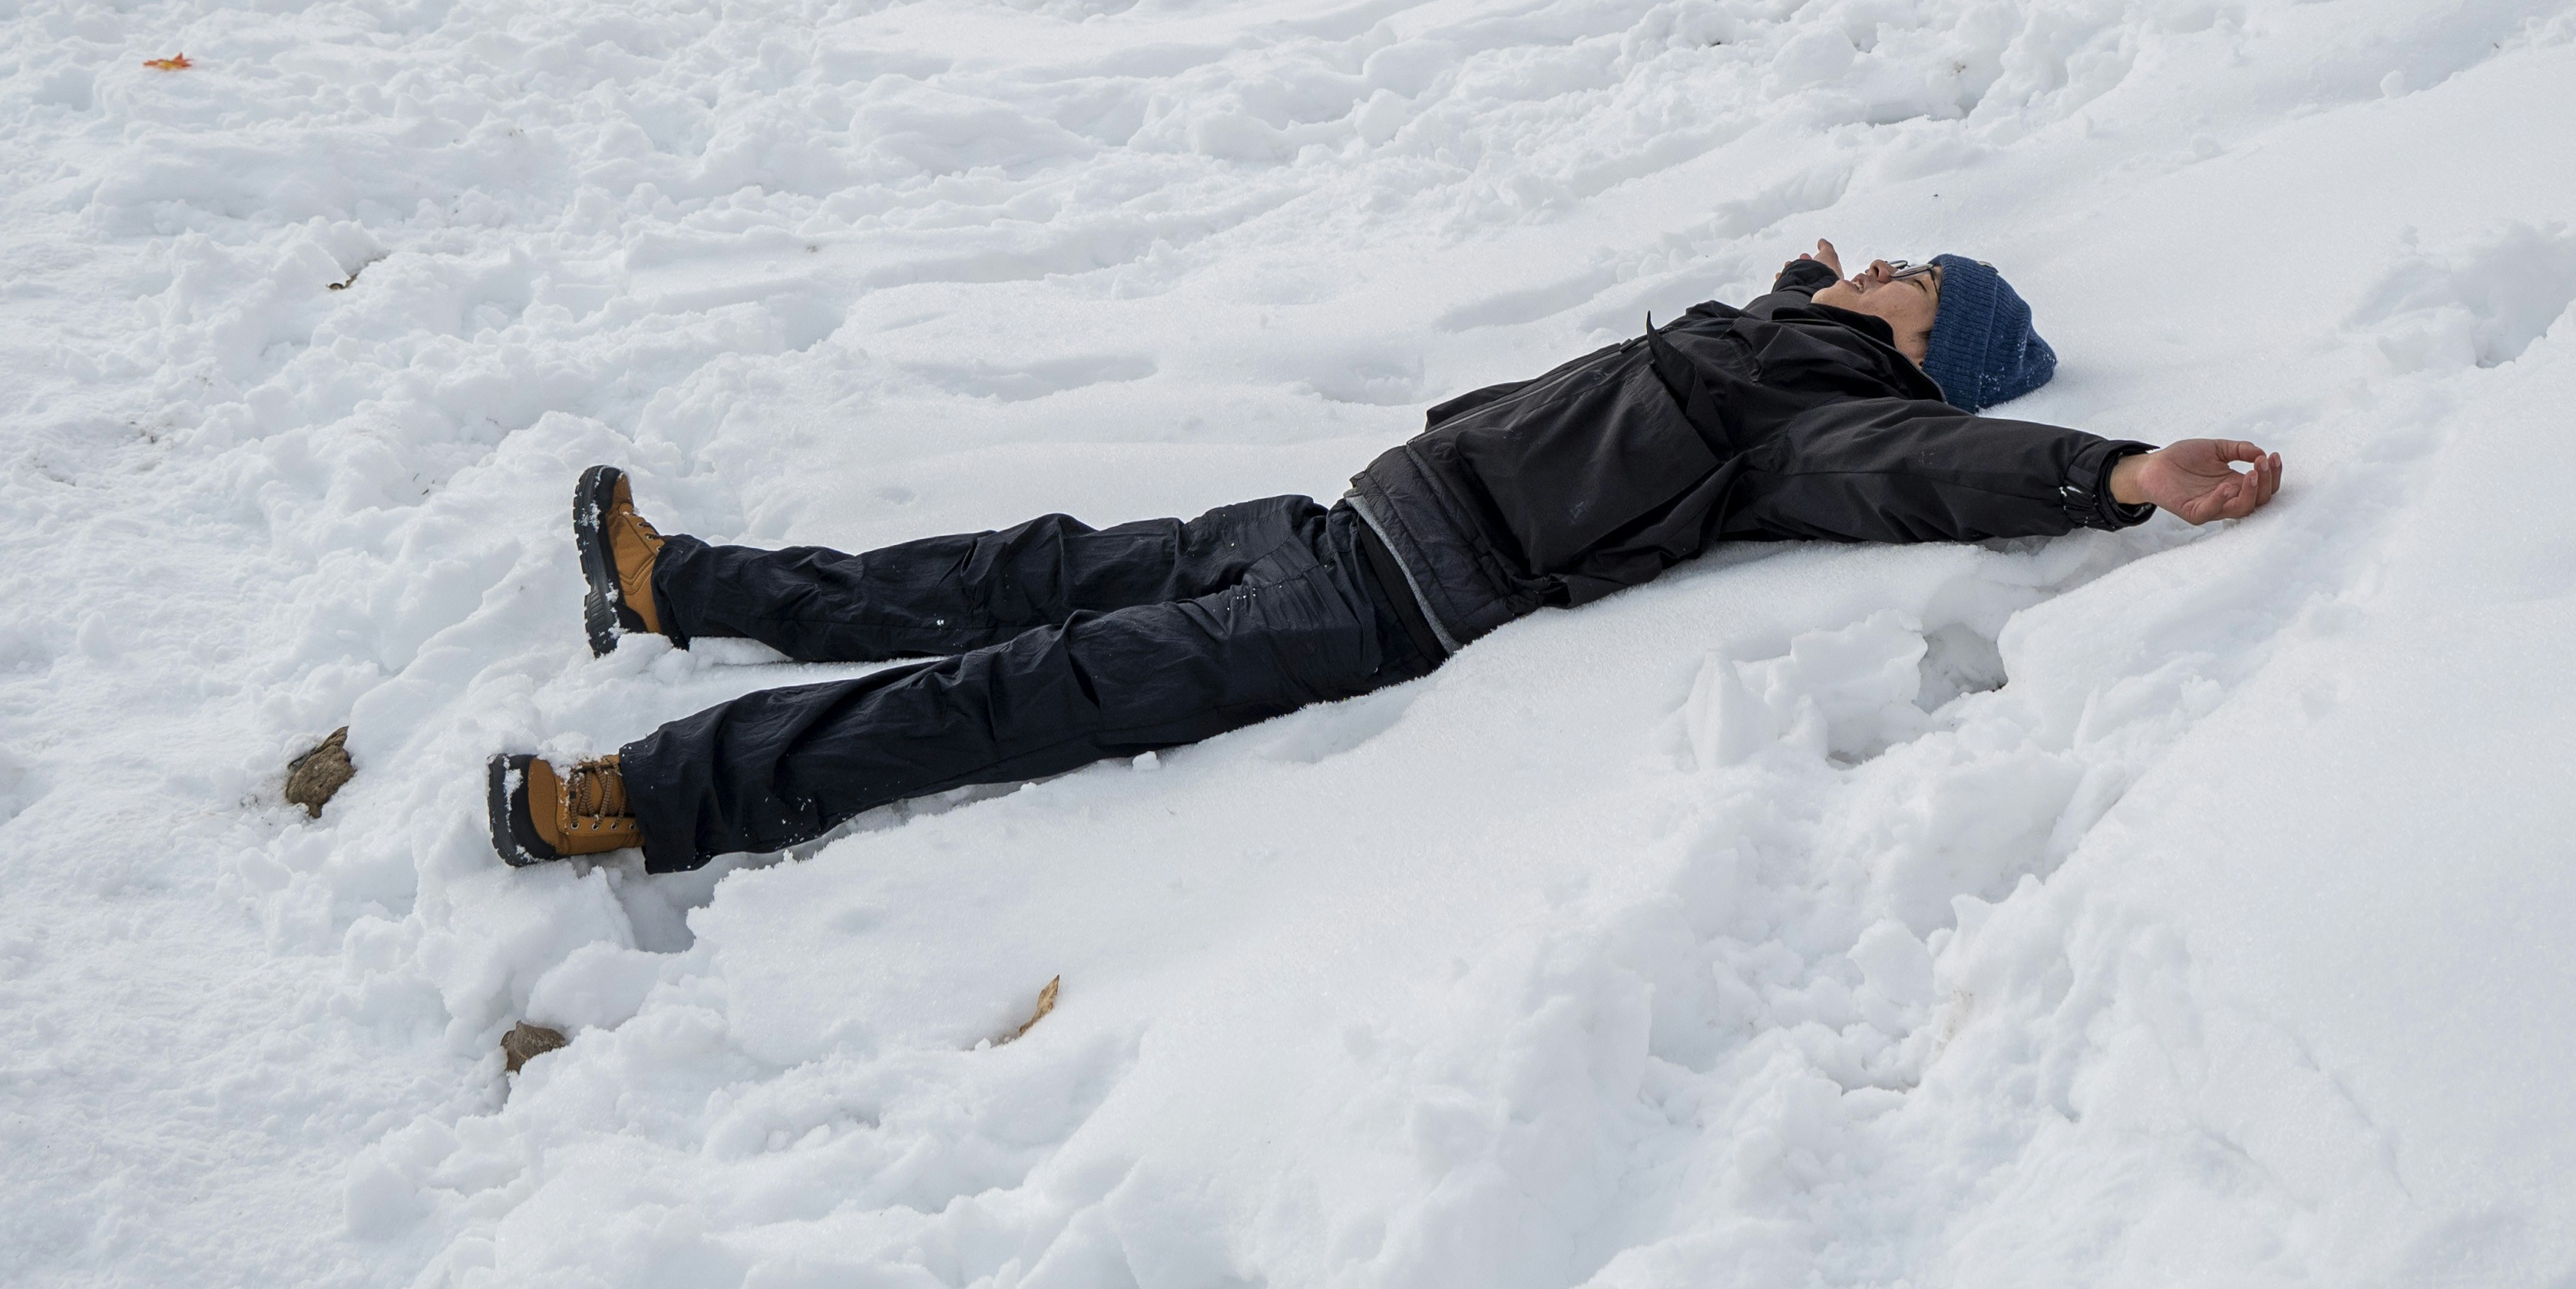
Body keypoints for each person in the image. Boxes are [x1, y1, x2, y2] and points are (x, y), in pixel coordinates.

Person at [487, 243, 2283, 871]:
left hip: (1380, 603)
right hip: (1343, 520)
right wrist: (1806, 278)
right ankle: (681, 586)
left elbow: (1934, 477)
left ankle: (643, 800)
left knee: (1013, 691)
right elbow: (1768, 329)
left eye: (1911, 269)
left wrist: (2119, 470)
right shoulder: (1785, 339)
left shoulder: (1829, 421)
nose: (1880, 257)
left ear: (1930, 334)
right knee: (1022, 565)